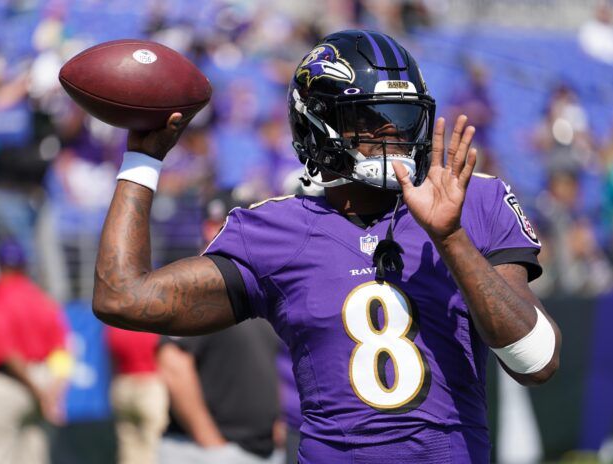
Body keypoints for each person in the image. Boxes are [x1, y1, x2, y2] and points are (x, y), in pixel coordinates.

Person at [93, 30, 561, 463]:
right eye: (369, 120)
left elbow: (537, 362)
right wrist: (142, 159)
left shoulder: (476, 201)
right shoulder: (275, 231)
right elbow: (122, 296)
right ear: (315, 126)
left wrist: (451, 238)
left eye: (401, 119)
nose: (391, 135)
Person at [0, 239, 70, 464]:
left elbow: (6, 354)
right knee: (33, 457)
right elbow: (62, 352)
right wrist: (53, 391)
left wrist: (39, 391)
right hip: (43, 381)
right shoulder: (42, 300)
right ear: (25, 266)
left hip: (10, 383)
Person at [157, 319, 281, 464]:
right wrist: (211, 443)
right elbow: (174, 363)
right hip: (204, 451)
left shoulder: (262, 307)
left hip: (263, 451)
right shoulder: (205, 300)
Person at [106, 326, 169, 464]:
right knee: (154, 444)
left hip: (123, 384)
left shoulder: (115, 326)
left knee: (128, 444)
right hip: (149, 384)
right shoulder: (152, 326)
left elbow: (113, 359)